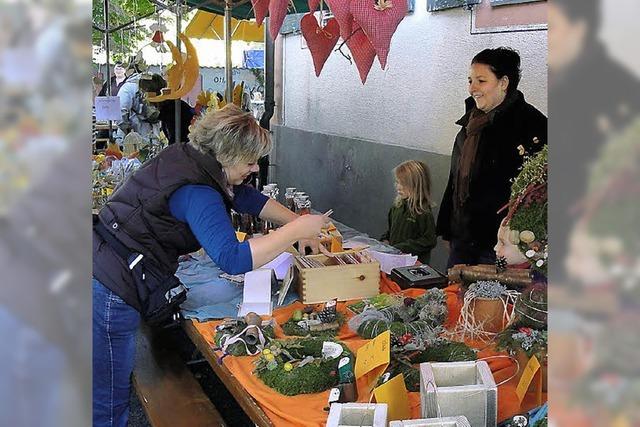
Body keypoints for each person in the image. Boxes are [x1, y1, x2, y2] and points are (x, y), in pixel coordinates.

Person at [92, 105, 329, 427]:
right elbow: (231, 257)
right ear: (227, 155)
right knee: (106, 398)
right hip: (110, 287)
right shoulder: (197, 191)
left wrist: (295, 220)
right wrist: (295, 231)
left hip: (105, 264)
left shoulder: (190, 161)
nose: (254, 169)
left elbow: (245, 197)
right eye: (249, 161)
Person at [436, 47, 547, 269]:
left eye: (481, 80)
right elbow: (456, 179)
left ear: (503, 82)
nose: (472, 88)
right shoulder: (471, 125)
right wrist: (448, 229)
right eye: (470, 80)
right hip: (463, 240)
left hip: (501, 246)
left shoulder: (533, 126)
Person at [380, 160, 437, 264]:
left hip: (413, 264)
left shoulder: (423, 212)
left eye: (403, 184)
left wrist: (402, 247)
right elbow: (390, 230)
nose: (398, 187)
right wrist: (384, 241)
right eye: (397, 182)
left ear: (416, 185)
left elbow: (429, 240)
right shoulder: (397, 207)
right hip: (394, 259)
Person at [139, 73, 195, 145]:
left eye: (143, 92)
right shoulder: (170, 107)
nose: (143, 97)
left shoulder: (172, 110)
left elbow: (175, 144)